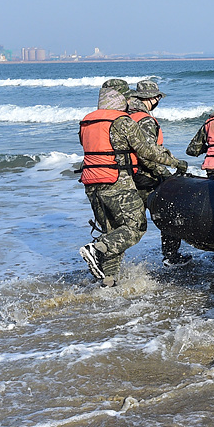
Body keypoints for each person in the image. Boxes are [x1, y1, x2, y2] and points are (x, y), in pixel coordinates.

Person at [78, 84, 188, 286]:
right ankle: (97, 249)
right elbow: (146, 151)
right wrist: (175, 162)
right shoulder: (122, 122)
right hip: (117, 184)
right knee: (135, 227)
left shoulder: (87, 121)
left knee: (114, 232)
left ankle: (108, 281)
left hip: (91, 185)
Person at [126, 80, 192, 267]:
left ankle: (106, 254)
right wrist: (165, 174)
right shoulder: (145, 120)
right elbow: (147, 152)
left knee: (129, 222)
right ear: (151, 98)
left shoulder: (124, 117)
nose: (158, 101)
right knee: (169, 213)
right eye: (157, 97)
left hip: (125, 176)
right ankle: (171, 256)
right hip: (146, 177)